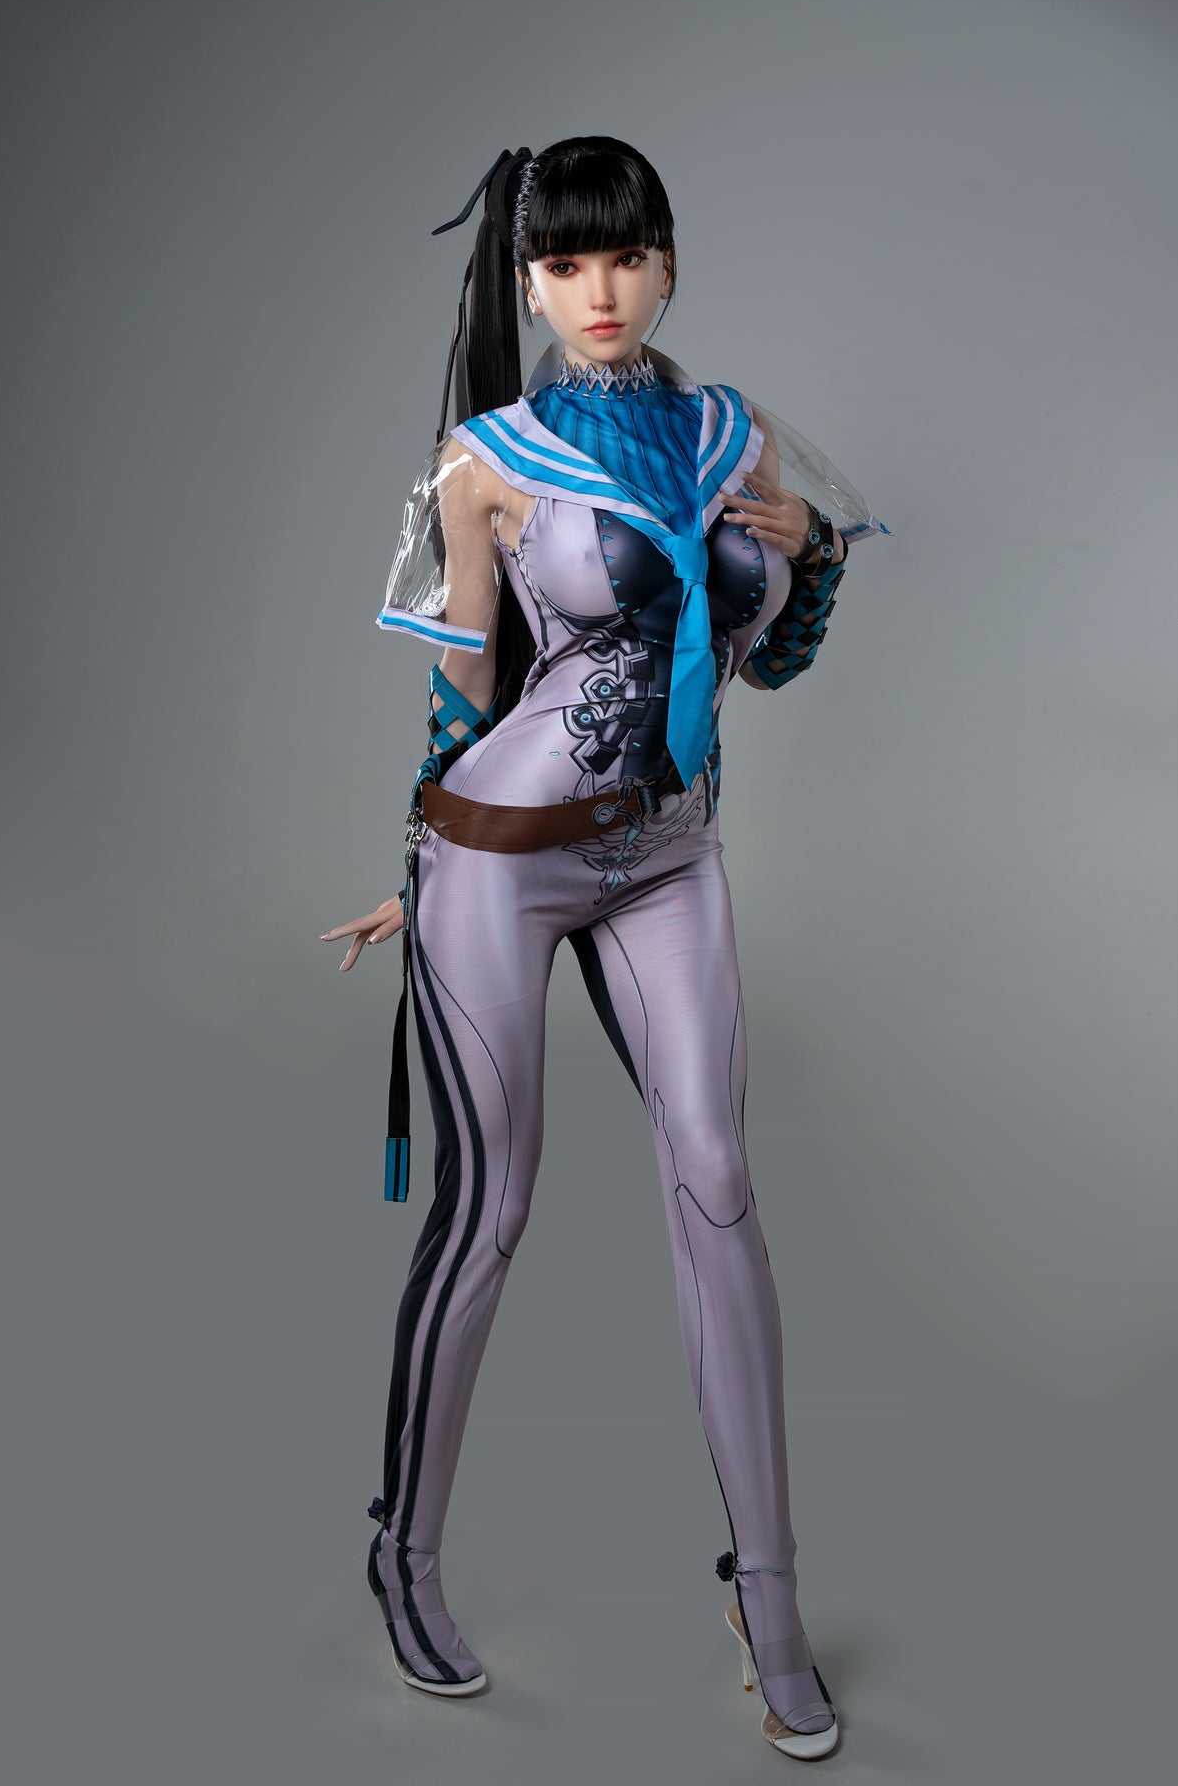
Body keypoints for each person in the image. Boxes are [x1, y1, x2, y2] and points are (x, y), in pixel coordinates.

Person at [321, 135, 886, 1762]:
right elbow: (464, 683)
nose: (600, 291)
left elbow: (769, 660)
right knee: (489, 1209)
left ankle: (766, 1597)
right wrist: (415, 861)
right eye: (566, 264)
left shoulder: (736, 439)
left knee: (718, 1186)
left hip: (670, 859)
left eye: (626, 255)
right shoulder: (483, 459)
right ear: (529, 281)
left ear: (668, 260)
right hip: (498, 861)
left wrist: (811, 548)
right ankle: (404, 1554)